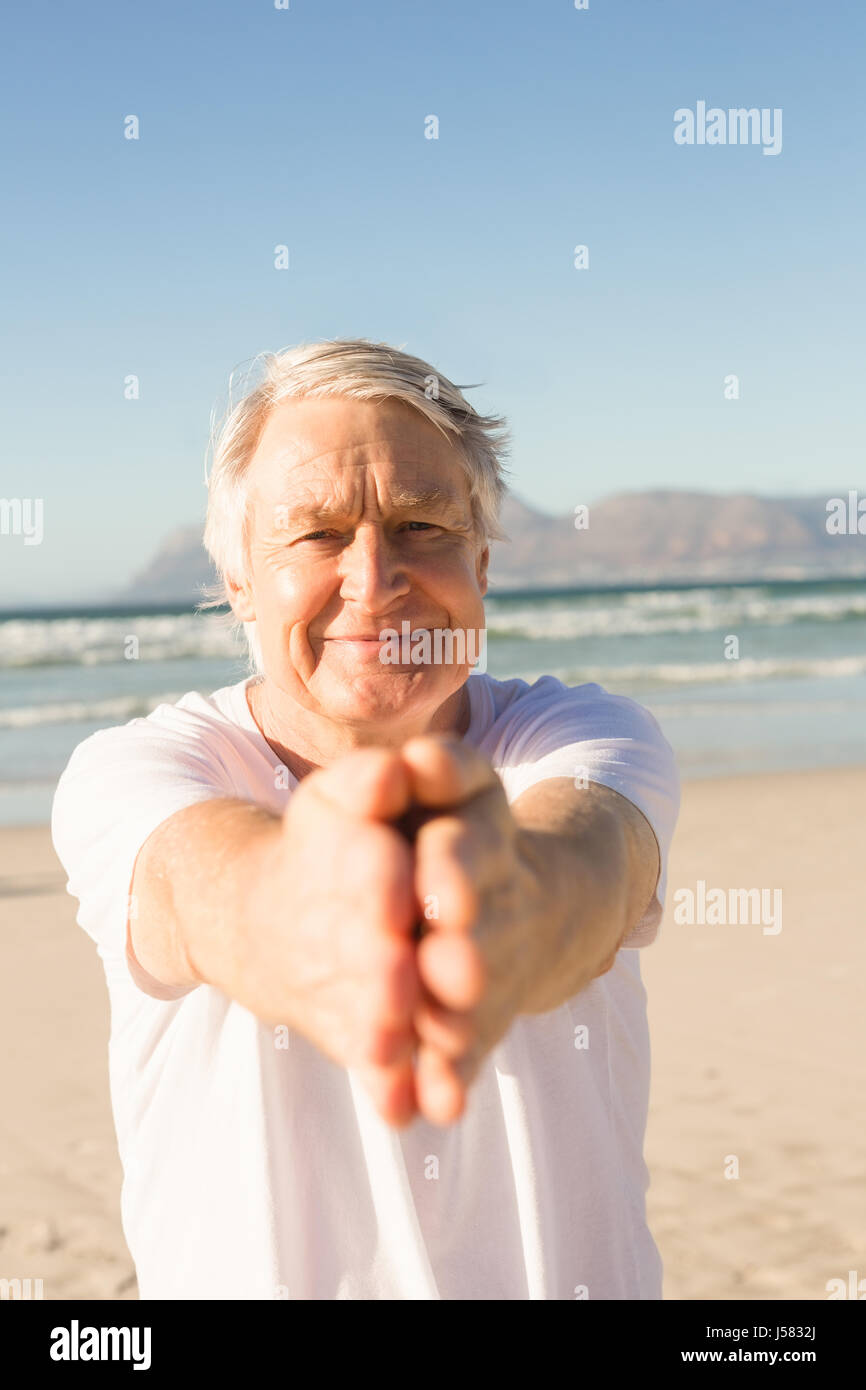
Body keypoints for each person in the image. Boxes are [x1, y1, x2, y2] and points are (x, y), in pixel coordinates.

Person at [52, 339, 680, 1299]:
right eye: (315, 534)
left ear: (480, 561)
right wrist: (310, 912)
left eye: (424, 524)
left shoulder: (580, 735)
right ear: (238, 582)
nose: (375, 575)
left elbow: (589, 871)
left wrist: (508, 916)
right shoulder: (138, 771)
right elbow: (200, 887)